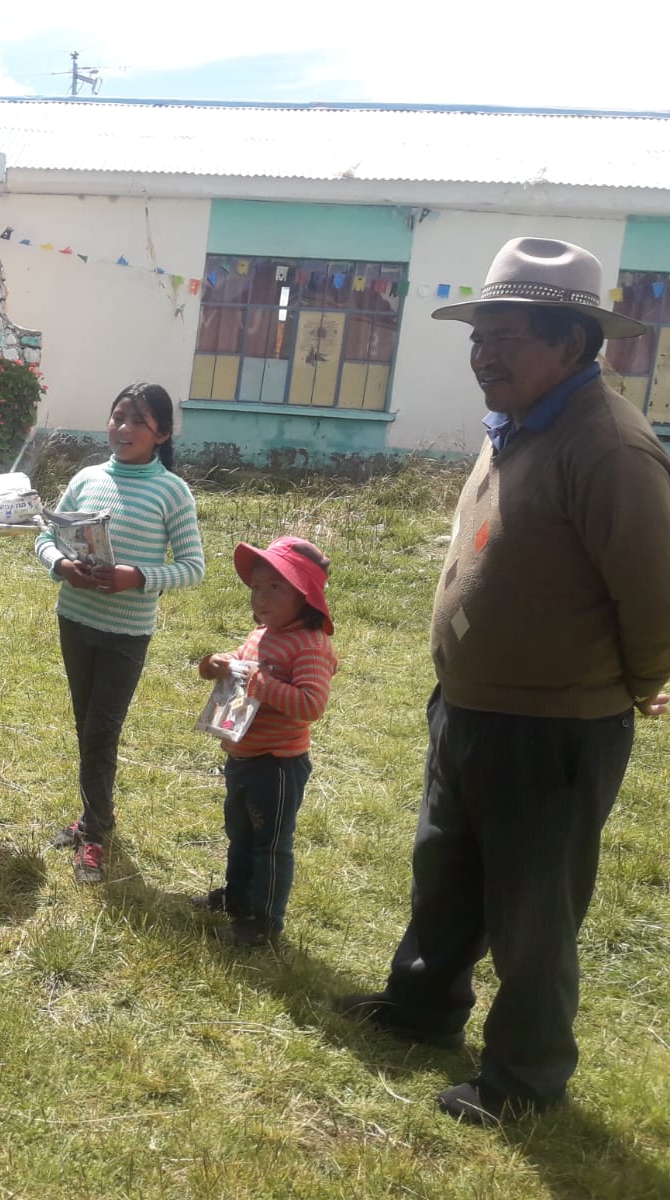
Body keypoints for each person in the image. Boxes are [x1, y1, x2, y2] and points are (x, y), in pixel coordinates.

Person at [335, 237, 670, 1125]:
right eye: (479, 336)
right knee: (446, 872)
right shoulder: (518, 422)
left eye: (508, 337)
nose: (485, 354)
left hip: (555, 728)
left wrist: (630, 683)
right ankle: (421, 1011)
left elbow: (657, 599)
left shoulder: (609, 448)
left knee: (533, 913)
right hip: (473, 708)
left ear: (571, 343)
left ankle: (524, 1079)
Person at [33, 382, 205, 883]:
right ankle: (91, 815)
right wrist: (63, 564)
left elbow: (194, 567)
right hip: (76, 620)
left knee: (102, 730)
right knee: (86, 724)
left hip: (126, 633)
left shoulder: (172, 491)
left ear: (162, 433)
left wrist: (139, 576)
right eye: (117, 416)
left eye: (137, 420)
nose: (122, 428)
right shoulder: (86, 478)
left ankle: (96, 834)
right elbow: (46, 534)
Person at [193, 537, 337, 948]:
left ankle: (265, 921)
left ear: (305, 595)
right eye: (257, 587)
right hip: (242, 754)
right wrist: (214, 664)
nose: (261, 597)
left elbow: (311, 704)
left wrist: (263, 684)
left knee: (270, 843)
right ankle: (237, 899)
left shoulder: (311, 645)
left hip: (277, 764)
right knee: (239, 832)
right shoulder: (261, 635)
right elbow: (235, 668)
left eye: (276, 587)